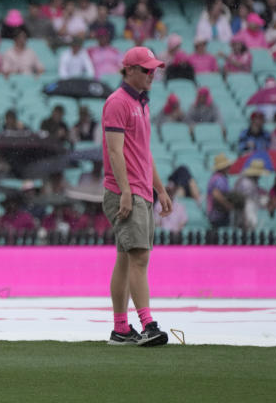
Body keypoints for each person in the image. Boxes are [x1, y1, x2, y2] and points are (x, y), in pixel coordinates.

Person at [101, 46, 172, 346]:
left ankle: (121, 328)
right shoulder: (118, 103)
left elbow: (144, 152)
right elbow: (114, 152)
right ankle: (148, 325)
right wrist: (127, 193)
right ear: (129, 70)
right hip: (126, 192)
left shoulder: (140, 103)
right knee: (139, 257)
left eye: (154, 68)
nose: (152, 74)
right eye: (146, 69)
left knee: (127, 260)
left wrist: (160, 189)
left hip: (138, 191)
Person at [206, 153, 236, 228]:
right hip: (218, 214)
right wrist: (227, 205)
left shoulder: (216, 177)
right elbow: (216, 194)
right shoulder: (219, 179)